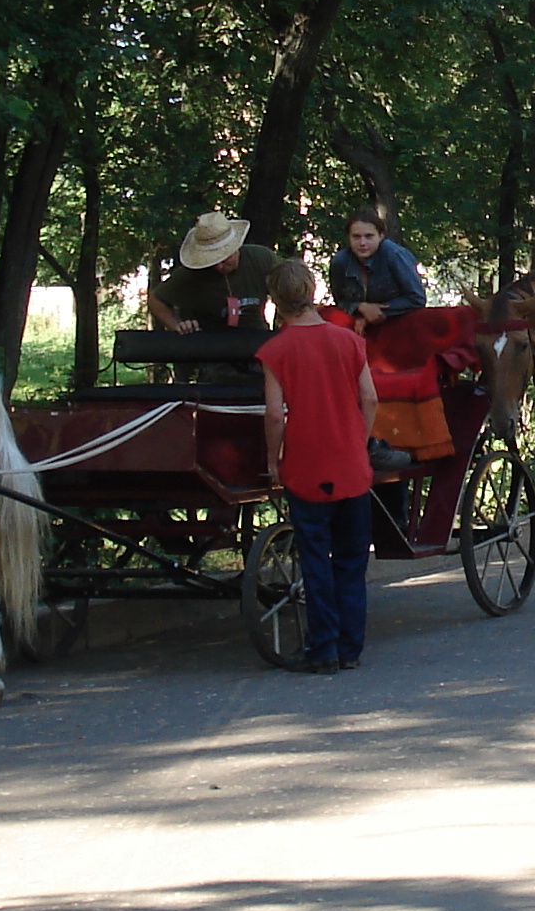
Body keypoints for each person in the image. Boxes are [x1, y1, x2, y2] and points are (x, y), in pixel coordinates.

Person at [257, 260, 377, 672]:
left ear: (275, 299)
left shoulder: (275, 351)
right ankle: (351, 648)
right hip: (351, 466)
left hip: (305, 468)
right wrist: (357, 444)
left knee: (314, 558)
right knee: (351, 559)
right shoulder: (348, 341)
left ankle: (322, 648)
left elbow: (275, 415)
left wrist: (273, 460)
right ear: (312, 289)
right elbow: (371, 399)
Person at [148, 212, 280, 334]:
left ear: (235, 248)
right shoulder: (191, 274)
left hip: (255, 341)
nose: (219, 266)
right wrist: (177, 325)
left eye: (224, 259)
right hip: (208, 347)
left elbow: (293, 286)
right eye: (211, 261)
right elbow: (156, 300)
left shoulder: (262, 259)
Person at [326, 210, 426, 328]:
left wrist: (377, 313)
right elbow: (341, 301)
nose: (362, 243)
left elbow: (417, 298)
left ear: (381, 236)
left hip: (399, 325)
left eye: (369, 236)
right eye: (356, 237)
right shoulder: (340, 261)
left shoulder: (394, 255)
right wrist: (360, 307)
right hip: (359, 329)